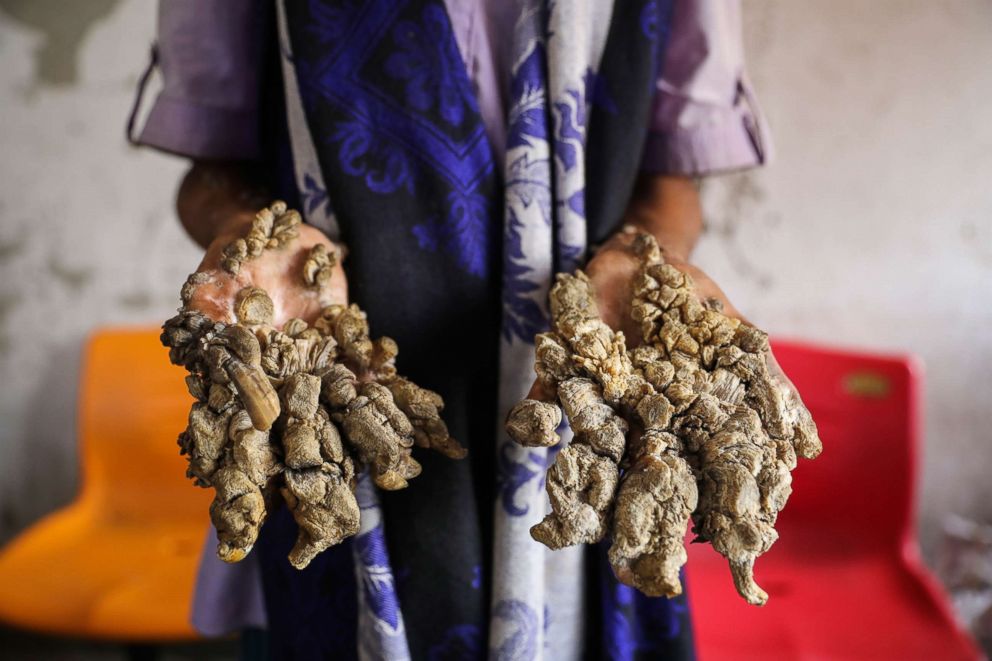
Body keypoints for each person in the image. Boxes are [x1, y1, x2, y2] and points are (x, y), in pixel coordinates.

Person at [130, 0, 772, 658]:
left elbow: (672, 177)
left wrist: (649, 256)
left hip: (578, 423)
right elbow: (208, 172)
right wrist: (248, 235)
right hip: (332, 398)